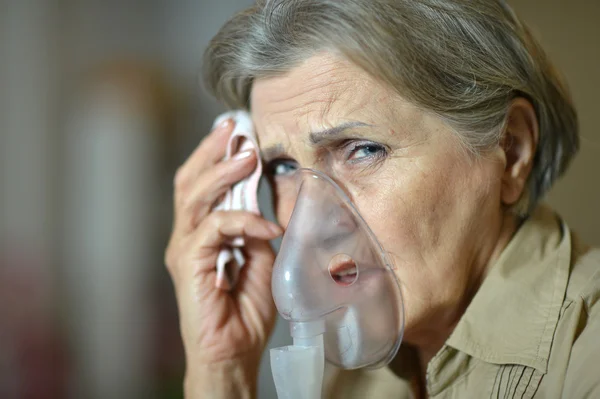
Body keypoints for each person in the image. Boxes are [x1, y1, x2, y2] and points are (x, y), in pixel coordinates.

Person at [164, 1, 600, 397]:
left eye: (363, 149)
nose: (307, 223)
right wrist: (222, 372)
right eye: (283, 168)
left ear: (511, 149)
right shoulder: (364, 372)